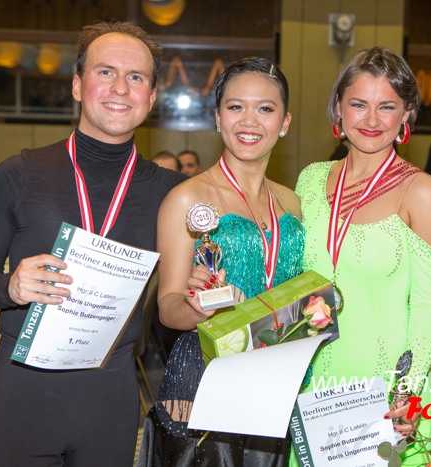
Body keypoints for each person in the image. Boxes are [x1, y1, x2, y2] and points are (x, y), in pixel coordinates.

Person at [0, 21, 186, 467]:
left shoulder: (173, 194)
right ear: (78, 86)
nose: (120, 87)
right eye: (105, 72)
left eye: (136, 77)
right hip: (23, 394)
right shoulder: (19, 174)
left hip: (111, 395)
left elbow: (183, 293)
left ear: (151, 97)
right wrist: (10, 287)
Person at [136, 57, 303, 466]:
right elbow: (168, 307)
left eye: (265, 108)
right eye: (235, 106)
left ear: (284, 122)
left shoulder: (292, 202)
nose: (249, 121)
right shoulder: (187, 198)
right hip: (206, 376)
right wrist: (201, 307)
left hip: (277, 378)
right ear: (217, 117)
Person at [292, 46, 431, 466]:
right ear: (338, 109)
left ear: (406, 114)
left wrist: (408, 392)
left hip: (388, 393)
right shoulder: (310, 180)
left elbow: (430, 302)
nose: (372, 120)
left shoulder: (422, 192)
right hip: (314, 383)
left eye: (387, 107)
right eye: (359, 104)